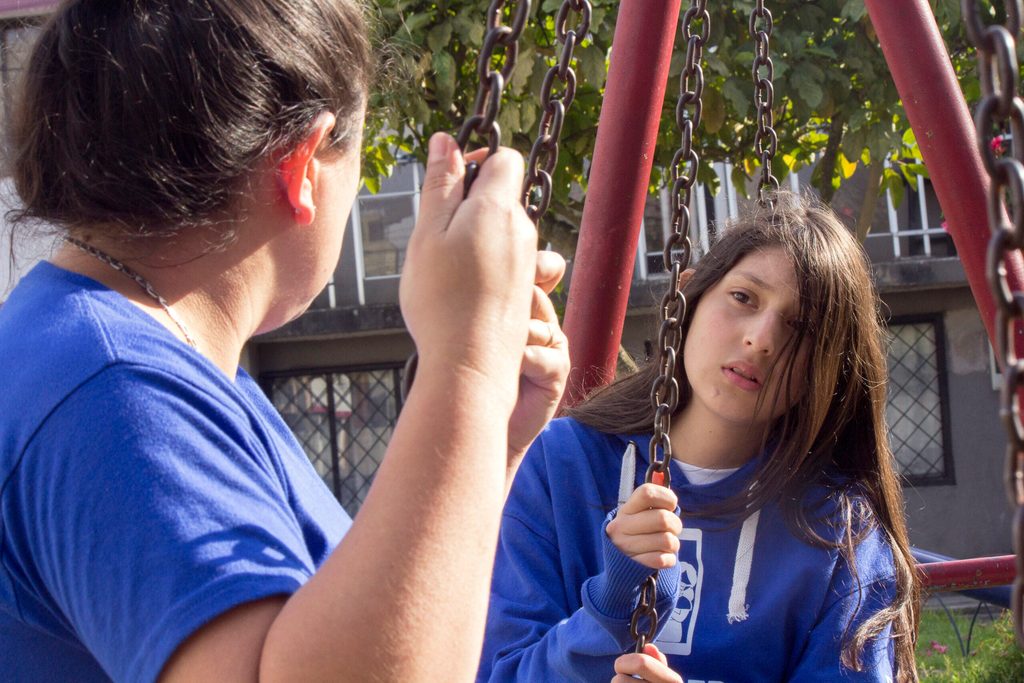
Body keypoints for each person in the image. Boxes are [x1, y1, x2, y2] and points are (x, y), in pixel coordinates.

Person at [0, 1, 569, 681]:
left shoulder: (141, 363)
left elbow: (363, 630)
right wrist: (466, 366)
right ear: (303, 163)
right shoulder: (115, 392)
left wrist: (485, 439)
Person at [478, 193, 921, 682]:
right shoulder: (564, 465)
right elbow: (500, 672)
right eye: (743, 298)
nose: (761, 339)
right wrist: (611, 604)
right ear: (686, 299)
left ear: (829, 367)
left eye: (801, 327)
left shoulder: (840, 529)